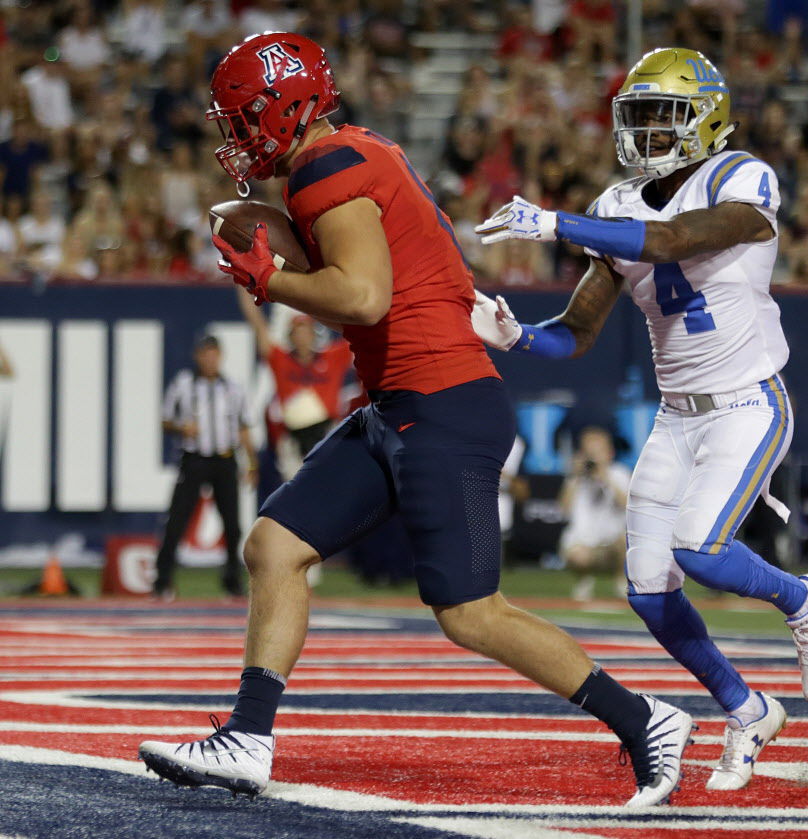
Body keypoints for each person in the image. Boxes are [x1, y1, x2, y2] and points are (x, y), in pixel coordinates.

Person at [139, 33, 693, 809]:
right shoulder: (340, 157)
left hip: (444, 403)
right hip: (401, 404)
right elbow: (327, 253)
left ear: (283, 109)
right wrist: (252, 218)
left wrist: (270, 279)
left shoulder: (330, 167)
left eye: (241, 120)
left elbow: (362, 295)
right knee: (274, 545)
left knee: (470, 612)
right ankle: (248, 736)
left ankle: (646, 720)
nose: (233, 138)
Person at [472, 47, 808, 792]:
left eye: (663, 116)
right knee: (646, 586)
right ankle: (747, 707)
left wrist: (551, 223)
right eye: (637, 116)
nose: (646, 131)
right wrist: (515, 335)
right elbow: (576, 332)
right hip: (678, 417)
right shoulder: (614, 206)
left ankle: (805, 597)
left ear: (705, 119)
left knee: (700, 548)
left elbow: (674, 239)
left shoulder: (742, 177)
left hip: (747, 401)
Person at [153, 334, 257, 600]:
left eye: (214, 354)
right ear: (197, 357)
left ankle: (232, 580)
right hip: (195, 459)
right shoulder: (183, 384)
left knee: (233, 525)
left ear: (220, 357)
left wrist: (252, 462)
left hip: (224, 459)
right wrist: (181, 427)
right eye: (205, 354)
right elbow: (165, 420)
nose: (210, 360)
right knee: (177, 520)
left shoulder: (233, 388)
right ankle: (163, 580)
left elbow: (243, 428)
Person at [236, 287, 354, 459]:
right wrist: (241, 284)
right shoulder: (281, 359)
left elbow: (359, 332)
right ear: (290, 336)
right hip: (293, 436)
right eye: (297, 331)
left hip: (327, 432)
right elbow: (257, 323)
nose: (302, 336)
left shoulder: (331, 357)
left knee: (330, 481)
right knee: (293, 482)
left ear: (314, 334)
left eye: (306, 330)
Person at [559, 425, 630, 601]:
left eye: (597, 452)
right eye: (588, 452)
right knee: (577, 556)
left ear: (609, 453)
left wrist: (604, 477)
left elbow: (627, 506)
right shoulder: (576, 477)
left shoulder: (618, 473)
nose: (592, 457)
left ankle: (621, 580)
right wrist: (575, 476)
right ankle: (584, 580)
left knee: (627, 541)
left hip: (613, 543)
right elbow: (563, 509)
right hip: (583, 543)